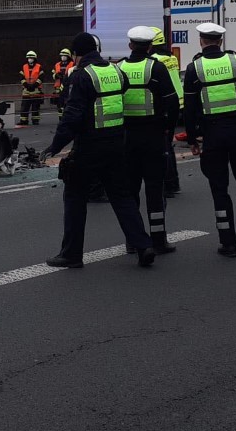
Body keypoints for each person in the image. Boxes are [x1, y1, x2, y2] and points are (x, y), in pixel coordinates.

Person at [41, 32, 155, 269]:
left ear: (76, 53)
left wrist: (55, 146)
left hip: (90, 146)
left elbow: (72, 116)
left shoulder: (82, 76)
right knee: (122, 197)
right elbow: (120, 92)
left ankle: (71, 254)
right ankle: (143, 246)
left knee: (74, 196)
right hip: (116, 144)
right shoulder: (115, 71)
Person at [183, 22, 236, 258]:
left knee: (220, 190)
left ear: (201, 41)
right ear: (220, 41)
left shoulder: (194, 68)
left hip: (212, 135)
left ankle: (228, 244)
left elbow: (189, 109)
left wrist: (192, 139)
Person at [119, 26, 180, 253]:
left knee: (130, 191)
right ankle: (158, 240)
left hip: (126, 137)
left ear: (130, 45)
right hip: (153, 135)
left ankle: (133, 241)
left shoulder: (119, 68)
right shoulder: (157, 67)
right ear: (150, 46)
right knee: (155, 189)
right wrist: (168, 130)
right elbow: (172, 103)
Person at [151, 27, 184, 197]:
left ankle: (168, 185)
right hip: (176, 104)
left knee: (162, 147)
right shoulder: (170, 57)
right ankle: (173, 182)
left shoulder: (155, 60)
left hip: (163, 106)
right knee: (167, 146)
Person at [18, 51, 44, 126]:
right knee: (24, 107)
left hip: (36, 90)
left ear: (34, 58)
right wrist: (26, 85)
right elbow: (21, 77)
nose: (30, 59)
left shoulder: (39, 66)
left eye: (31, 58)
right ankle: (23, 121)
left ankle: (35, 120)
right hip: (26, 90)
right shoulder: (24, 66)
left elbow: (41, 77)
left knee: (35, 107)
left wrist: (34, 85)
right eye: (29, 58)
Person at [52, 48, 75, 118]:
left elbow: (74, 75)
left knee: (68, 103)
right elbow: (53, 74)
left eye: (64, 56)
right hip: (58, 88)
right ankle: (61, 118)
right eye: (62, 56)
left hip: (68, 88)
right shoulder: (57, 65)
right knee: (59, 105)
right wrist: (56, 75)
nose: (63, 57)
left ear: (68, 57)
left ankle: (68, 117)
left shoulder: (72, 64)